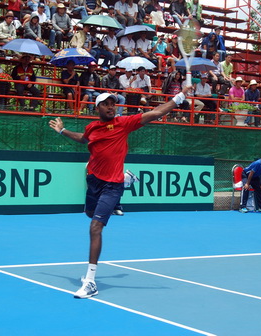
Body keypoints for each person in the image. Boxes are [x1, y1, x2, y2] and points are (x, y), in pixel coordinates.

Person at [48, 86, 192, 299]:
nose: (110, 107)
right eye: (106, 104)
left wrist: (179, 98)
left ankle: (90, 281)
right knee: (90, 214)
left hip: (111, 185)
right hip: (94, 180)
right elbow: (83, 138)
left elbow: (155, 113)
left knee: (95, 227)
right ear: (97, 107)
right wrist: (63, 131)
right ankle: (127, 182)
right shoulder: (92, 127)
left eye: (113, 104)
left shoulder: (123, 124)